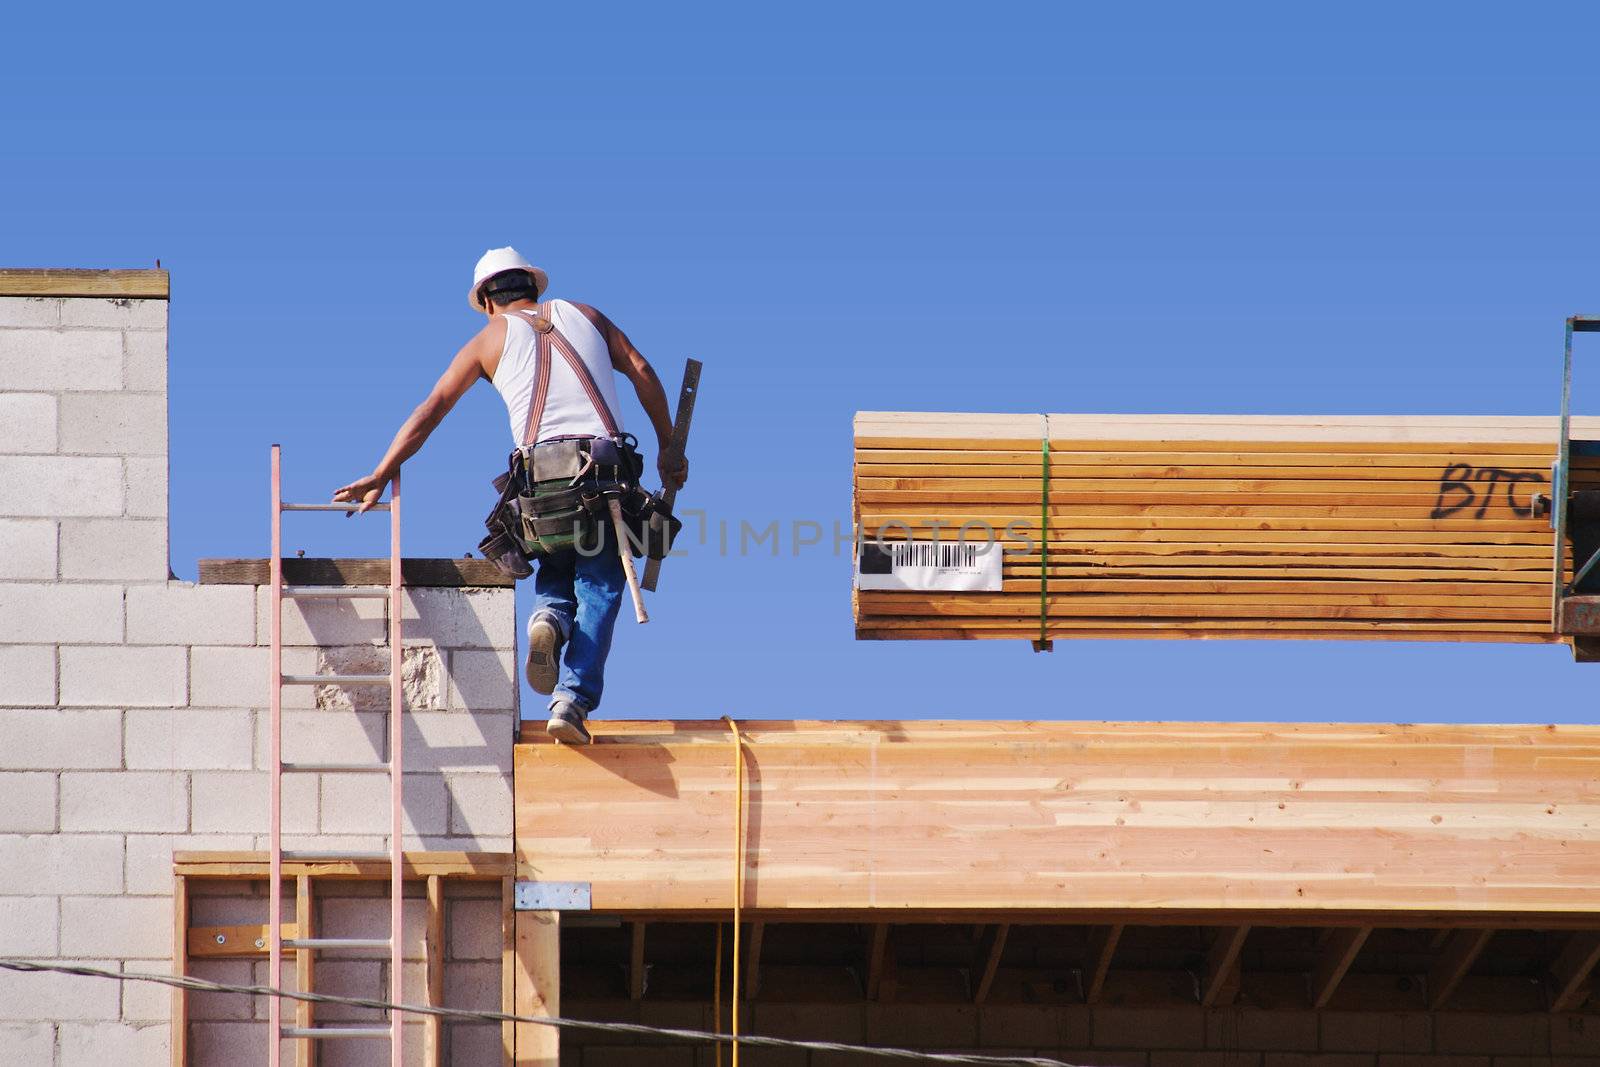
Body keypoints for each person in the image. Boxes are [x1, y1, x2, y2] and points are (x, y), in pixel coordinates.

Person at [334, 247, 687, 743]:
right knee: (602, 583)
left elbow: (432, 407)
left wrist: (381, 470)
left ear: (485, 301)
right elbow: (643, 370)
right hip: (603, 477)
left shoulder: (486, 341)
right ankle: (572, 698)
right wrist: (669, 445)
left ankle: (548, 618)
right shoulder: (585, 314)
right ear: (533, 287)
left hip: (539, 487)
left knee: (556, 556)